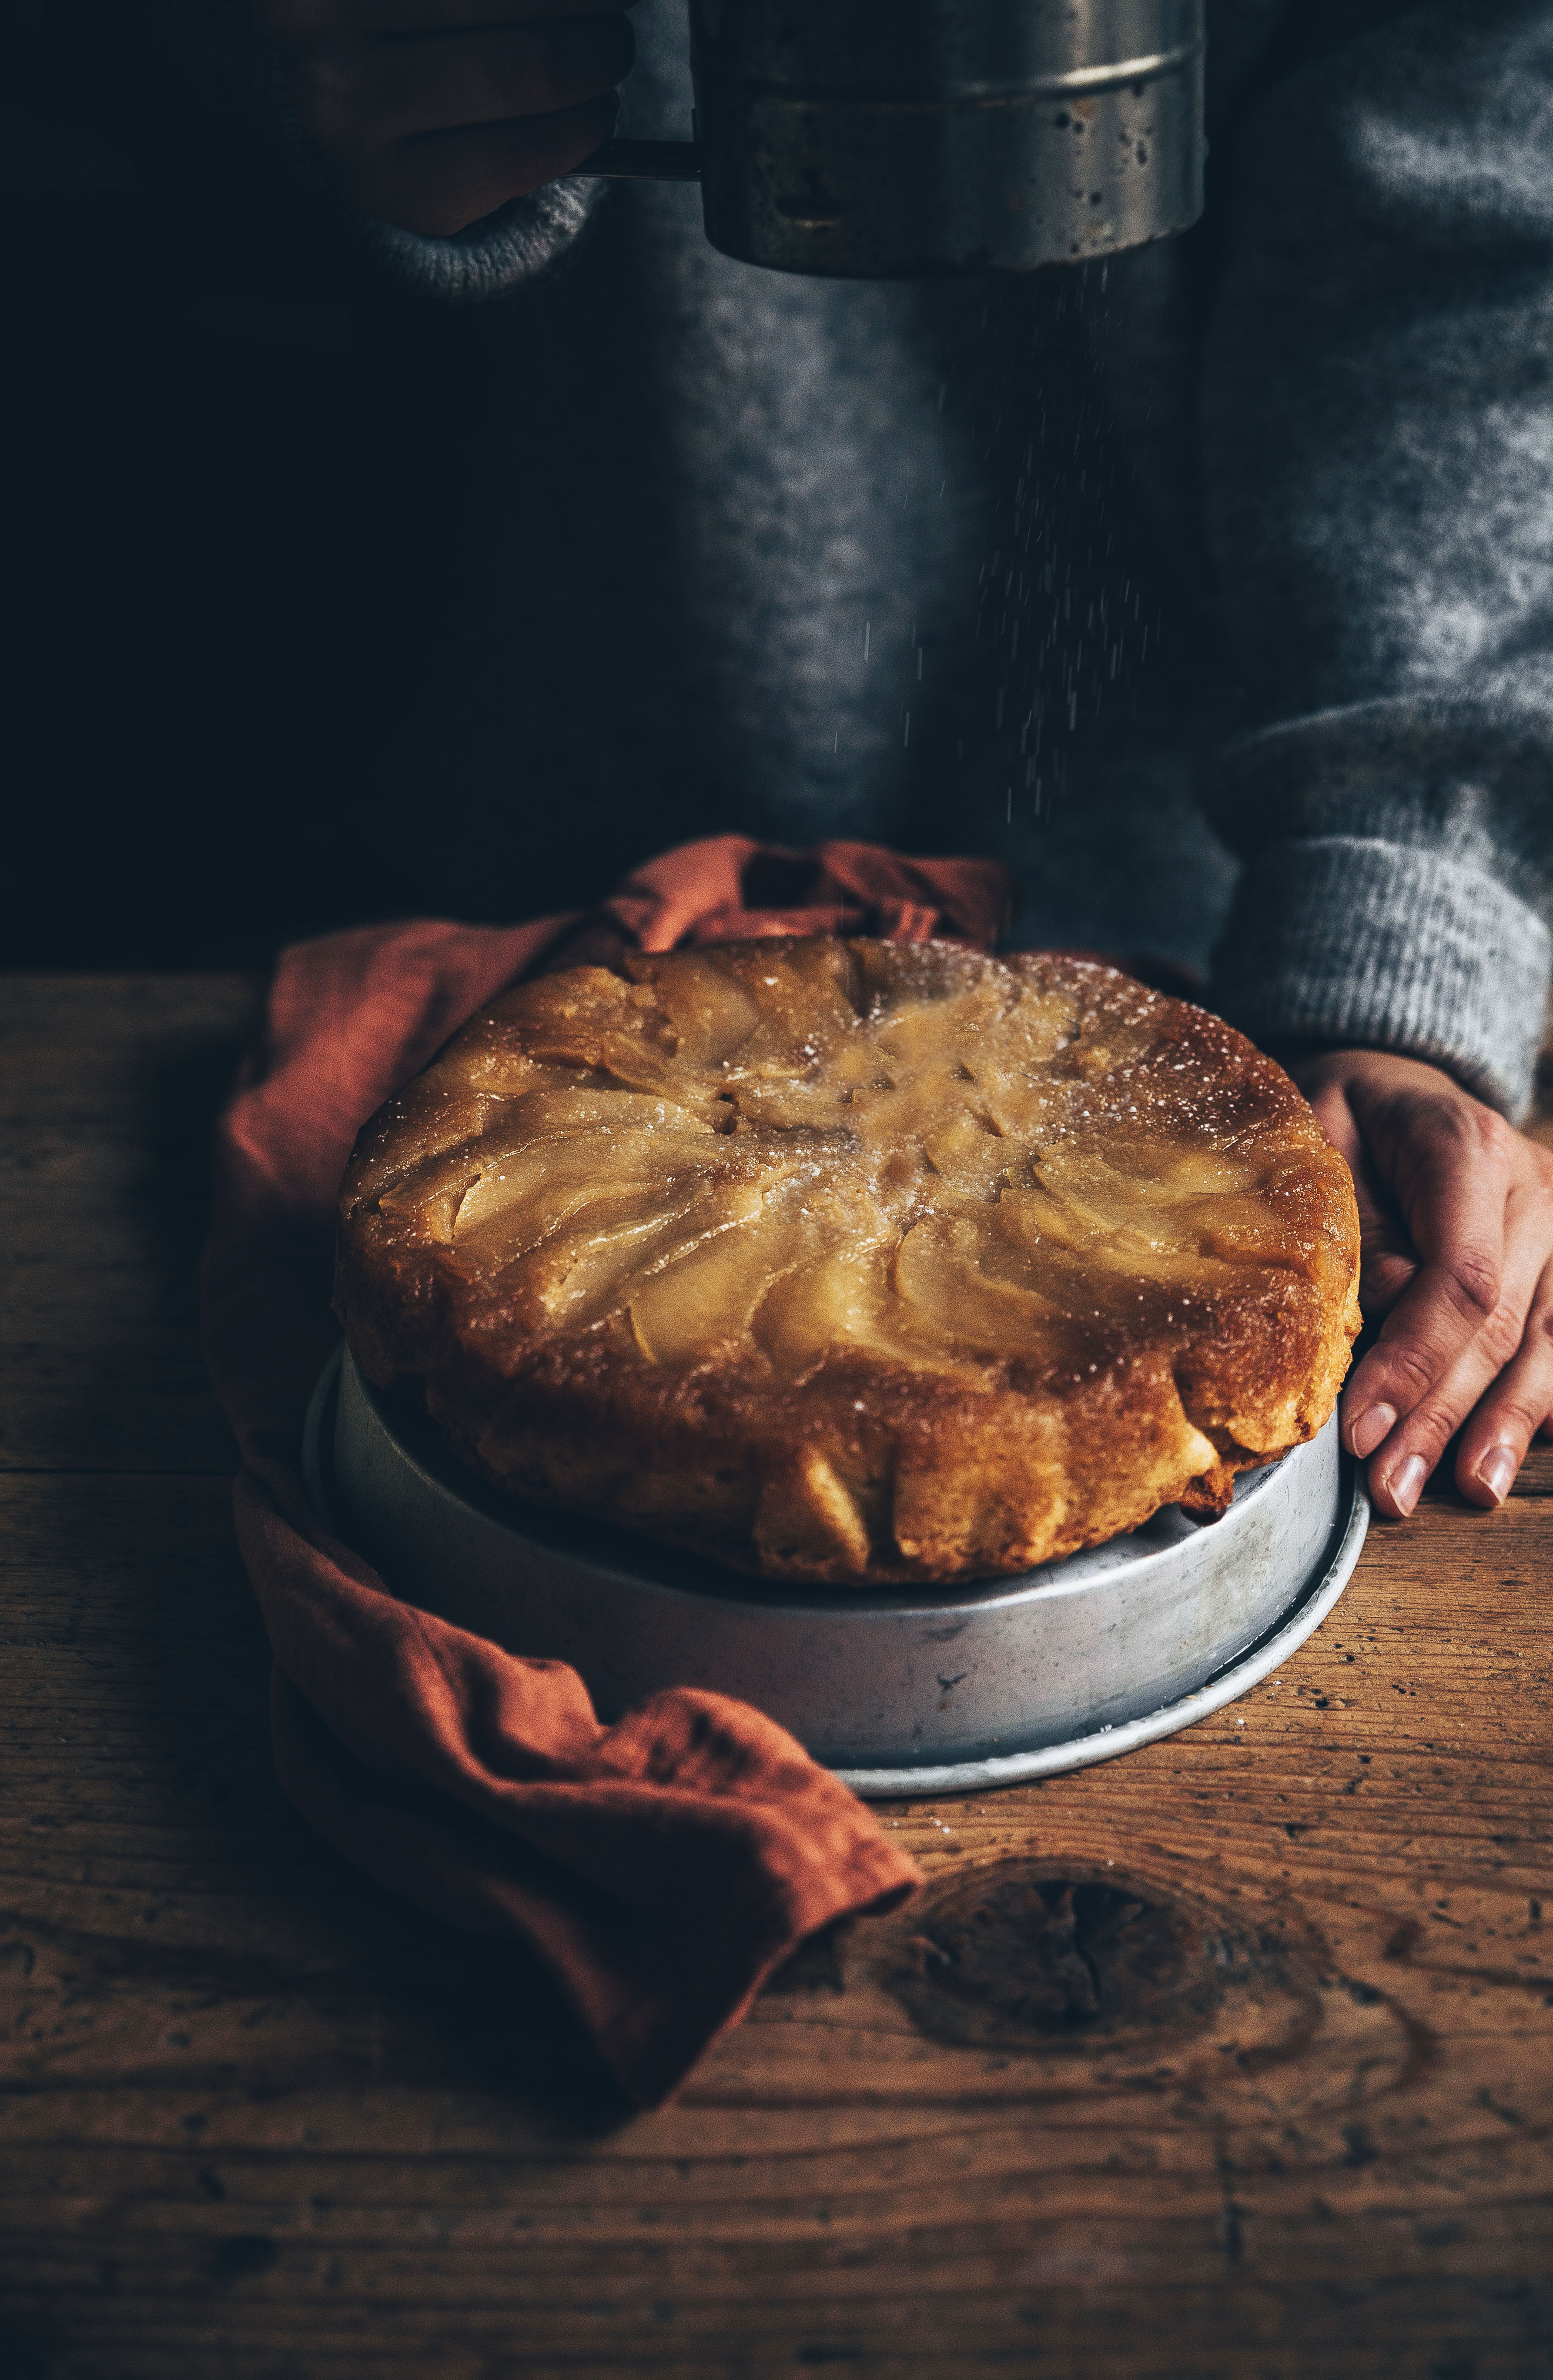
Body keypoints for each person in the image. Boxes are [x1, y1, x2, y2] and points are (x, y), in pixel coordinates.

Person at [51, 0, 1553, 1518]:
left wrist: (1405, 917)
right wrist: (285, 56)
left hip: (1229, 934)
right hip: (510, 828)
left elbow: (1479, 195)